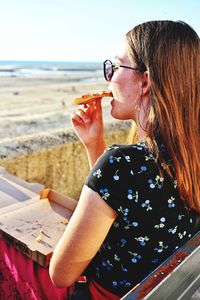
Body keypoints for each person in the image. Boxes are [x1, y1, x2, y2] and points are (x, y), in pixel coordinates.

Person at [49, 20, 200, 299]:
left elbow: (61, 274)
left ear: (145, 81)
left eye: (116, 67)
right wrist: (95, 143)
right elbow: (125, 198)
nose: (108, 77)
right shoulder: (188, 156)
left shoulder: (123, 163)